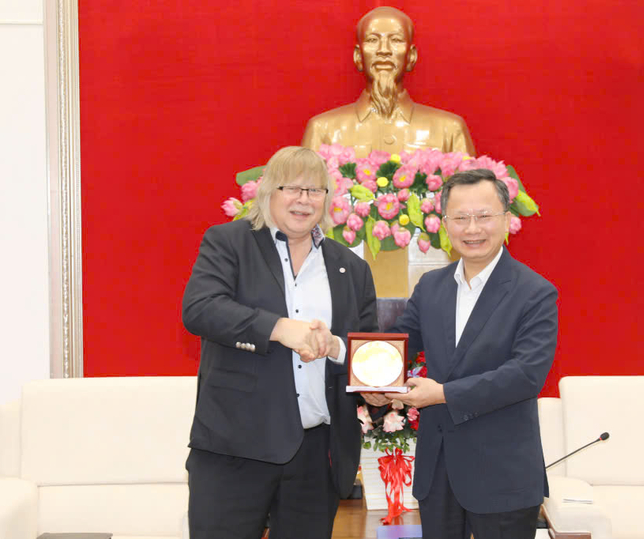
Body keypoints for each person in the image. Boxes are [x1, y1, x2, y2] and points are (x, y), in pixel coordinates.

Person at [182, 146, 378, 539]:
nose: (304, 200)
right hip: (235, 447)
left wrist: (346, 358)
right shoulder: (230, 242)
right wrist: (278, 328)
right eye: (292, 188)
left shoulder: (350, 267)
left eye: (315, 190)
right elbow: (200, 310)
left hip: (314, 454)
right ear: (269, 191)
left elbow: (367, 348)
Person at [364, 169, 558, 539]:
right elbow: (400, 341)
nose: (473, 229)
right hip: (439, 472)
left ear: (506, 219)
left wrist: (442, 394)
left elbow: (525, 375)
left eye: (484, 216)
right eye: (460, 218)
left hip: (503, 475)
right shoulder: (432, 286)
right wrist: (374, 381)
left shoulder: (535, 292)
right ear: (445, 224)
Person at [302, 6, 475, 158]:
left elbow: (469, 193)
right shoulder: (322, 130)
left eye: (396, 40)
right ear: (358, 56)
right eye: (372, 40)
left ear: (411, 56)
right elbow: (306, 191)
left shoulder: (450, 130)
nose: (383, 50)